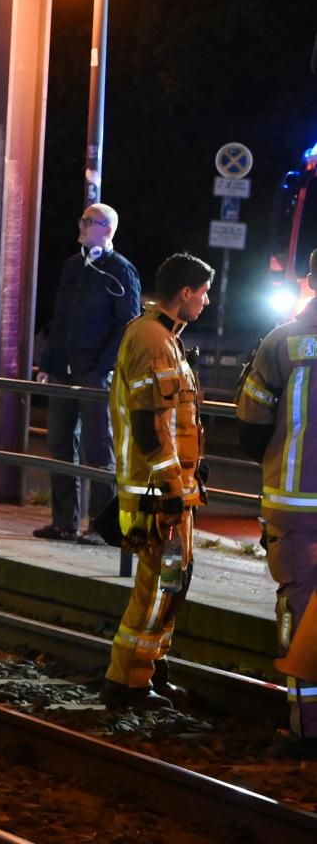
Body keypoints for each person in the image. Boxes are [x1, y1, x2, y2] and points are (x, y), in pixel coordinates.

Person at [102, 251, 214, 711]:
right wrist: (170, 487)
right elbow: (151, 424)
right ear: (184, 293)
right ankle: (126, 680)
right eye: (204, 293)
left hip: (171, 491)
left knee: (171, 581)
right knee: (155, 587)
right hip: (156, 494)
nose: (207, 302)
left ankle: (151, 669)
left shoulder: (165, 339)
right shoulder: (152, 340)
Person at [233, 248, 317, 756]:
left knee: (301, 610)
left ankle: (306, 730)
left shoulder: (283, 340)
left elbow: (250, 425)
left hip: (295, 506)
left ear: (311, 280)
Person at [33, 203, 141, 542]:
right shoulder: (73, 265)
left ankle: (101, 527)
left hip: (94, 374)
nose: (80, 225)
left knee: (98, 451)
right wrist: (48, 366)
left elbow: (128, 325)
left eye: (88, 221)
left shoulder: (121, 270)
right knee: (60, 443)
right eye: (82, 219)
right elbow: (60, 319)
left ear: (106, 230)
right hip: (65, 370)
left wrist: (101, 370)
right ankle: (64, 522)